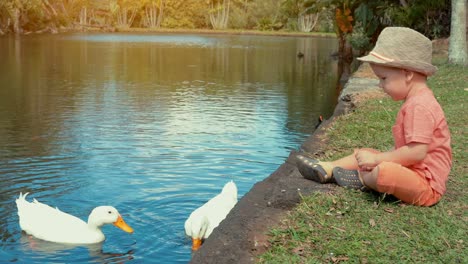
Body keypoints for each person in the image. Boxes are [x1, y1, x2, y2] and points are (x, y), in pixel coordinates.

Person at [296, 27, 452, 207]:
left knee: (384, 171)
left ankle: (362, 178)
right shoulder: (415, 101)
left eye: (383, 78)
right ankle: (328, 167)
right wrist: (374, 158)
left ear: (408, 74)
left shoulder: (420, 106)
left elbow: (417, 153)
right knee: (365, 154)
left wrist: (378, 161)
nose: (380, 85)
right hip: (411, 171)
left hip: (425, 186)